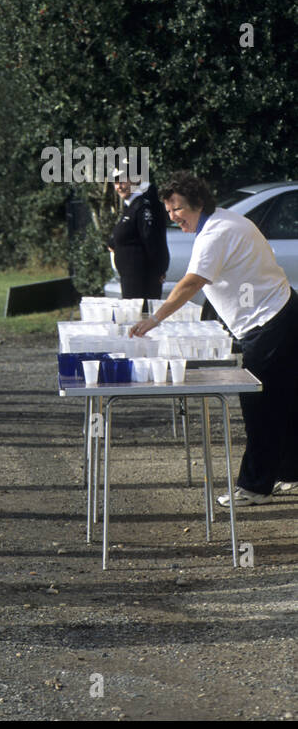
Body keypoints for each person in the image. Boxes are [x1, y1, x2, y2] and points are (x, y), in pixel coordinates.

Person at [130, 170, 298, 507]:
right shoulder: (224, 221)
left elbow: (192, 283)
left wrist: (155, 318)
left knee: (260, 405)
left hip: (270, 322)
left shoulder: (215, 233)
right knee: (284, 400)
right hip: (283, 312)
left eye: (177, 209)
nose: (173, 218)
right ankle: (290, 473)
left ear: (197, 203)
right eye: (168, 211)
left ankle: (254, 487)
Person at [107, 165, 169, 305]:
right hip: (130, 280)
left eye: (122, 181)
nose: (119, 186)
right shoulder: (132, 206)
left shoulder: (144, 206)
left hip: (143, 281)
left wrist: (159, 269)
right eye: (116, 182)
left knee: (141, 320)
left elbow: (152, 240)